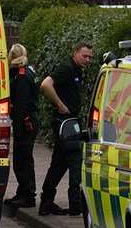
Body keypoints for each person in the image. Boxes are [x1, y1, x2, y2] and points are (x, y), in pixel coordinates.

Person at [38, 40, 93, 216]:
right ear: (75, 53)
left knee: (59, 164)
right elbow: (46, 85)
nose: (87, 60)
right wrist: (60, 105)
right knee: (75, 161)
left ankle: (46, 203)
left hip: (67, 122)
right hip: (66, 123)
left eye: (90, 57)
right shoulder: (67, 69)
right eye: (84, 56)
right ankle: (75, 206)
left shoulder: (76, 70)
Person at [5, 44, 37, 209]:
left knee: (22, 161)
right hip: (27, 123)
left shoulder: (22, 77)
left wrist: (16, 126)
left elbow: (21, 105)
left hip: (25, 124)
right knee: (22, 160)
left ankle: (28, 195)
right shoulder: (25, 73)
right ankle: (22, 192)